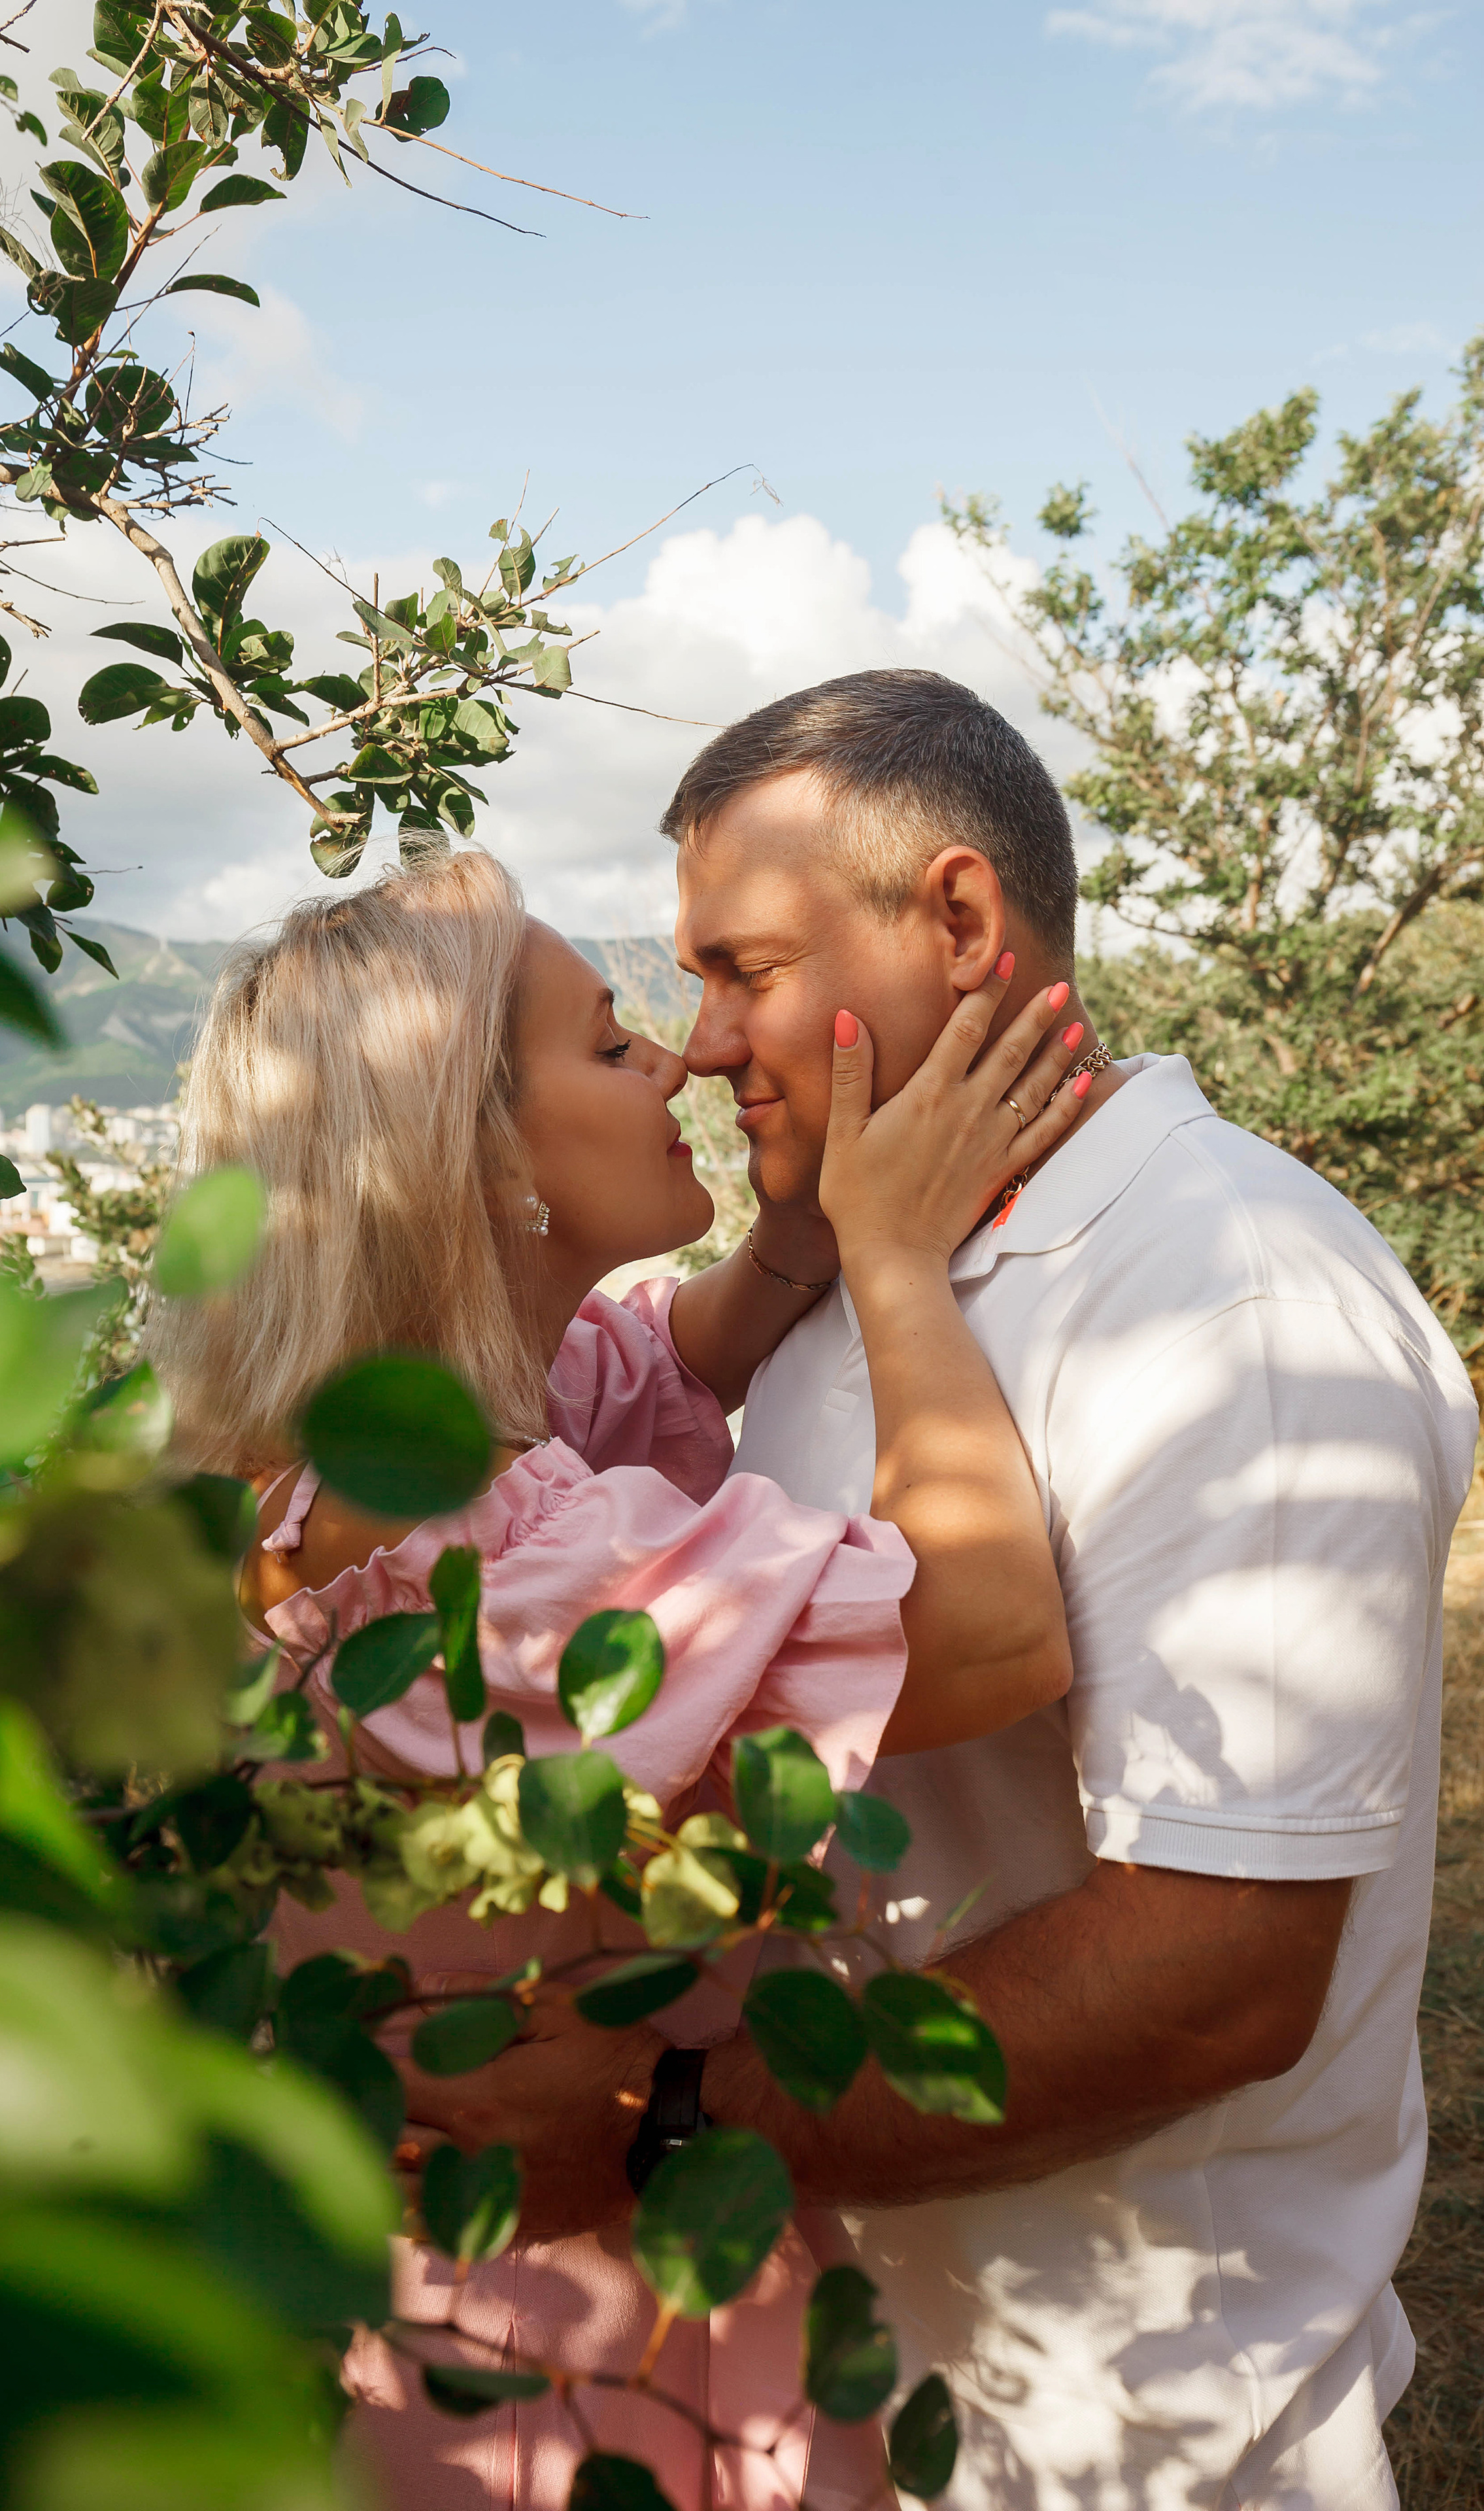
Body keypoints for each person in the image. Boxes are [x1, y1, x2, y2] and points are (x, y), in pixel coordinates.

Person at [401, 672, 1481, 2511]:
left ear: (960, 923)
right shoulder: (860, 1271)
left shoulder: (1230, 1301)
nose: (708, 1041)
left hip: (1135, 2437)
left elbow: (1214, 1972)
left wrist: (660, 2125)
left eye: (741, 969)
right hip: (860, 2388)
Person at [144, 842, 1091, 2511]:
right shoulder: (501, 1564)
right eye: (603, 1044)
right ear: (479, 1156)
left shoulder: (327, 1470)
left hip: (403, 2326)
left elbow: (659, 1352)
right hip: (588, 2362)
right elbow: (992, 1625)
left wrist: (793, 1234)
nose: (679, 1055)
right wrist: (890, 1258)